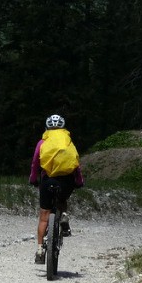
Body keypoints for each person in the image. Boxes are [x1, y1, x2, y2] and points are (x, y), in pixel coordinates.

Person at [29, 113, 84, 264]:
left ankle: (40, 250)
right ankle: (64, 215)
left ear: (47, 128)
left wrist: (33, 179)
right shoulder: (68, 142)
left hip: (47, 181)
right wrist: (79, 181)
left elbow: (35, 163)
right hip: (66, 181)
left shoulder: (42, 143)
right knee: (62, 199)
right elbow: (76, 164)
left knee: (44, 216)